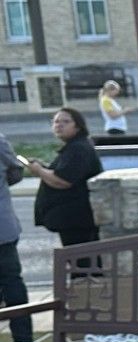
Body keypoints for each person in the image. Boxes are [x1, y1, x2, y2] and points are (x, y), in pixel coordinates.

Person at [23, 106, 103, 271]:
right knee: (79, 264)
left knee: (83, 266)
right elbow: (61, 173)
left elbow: (63, 180)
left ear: (78, 126)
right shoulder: (73, 147)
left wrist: (39, 170)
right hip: (71, 220)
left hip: (77, 221)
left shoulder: (78, 148)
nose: (59, 125)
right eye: (56, 122)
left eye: (65, 121)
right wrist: (44, 168)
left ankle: (87, 294)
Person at [0, 129, 32, 342]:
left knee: (12, 281)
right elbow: (16, 170)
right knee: (12, 280)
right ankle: (22, 338)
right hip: (3, 227)